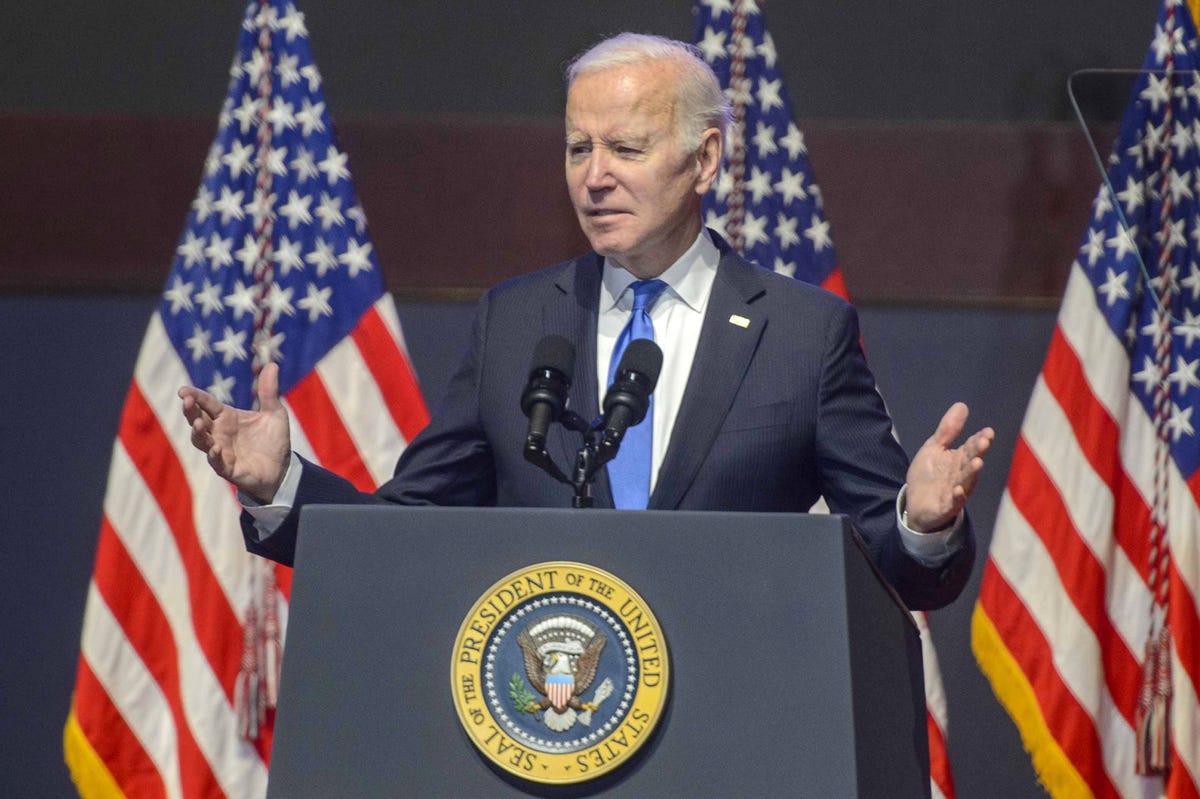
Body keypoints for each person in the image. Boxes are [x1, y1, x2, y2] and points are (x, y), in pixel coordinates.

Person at [180, 33, 993, 611]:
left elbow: (900, 570)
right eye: (577, 149)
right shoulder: (516, 320)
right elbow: (413, 528)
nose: (594, 177)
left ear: (704, 159)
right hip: (548, 731)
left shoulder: (802, 333)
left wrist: (921, 522)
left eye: (626, 149)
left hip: (734, 735)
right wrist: (278, 485)